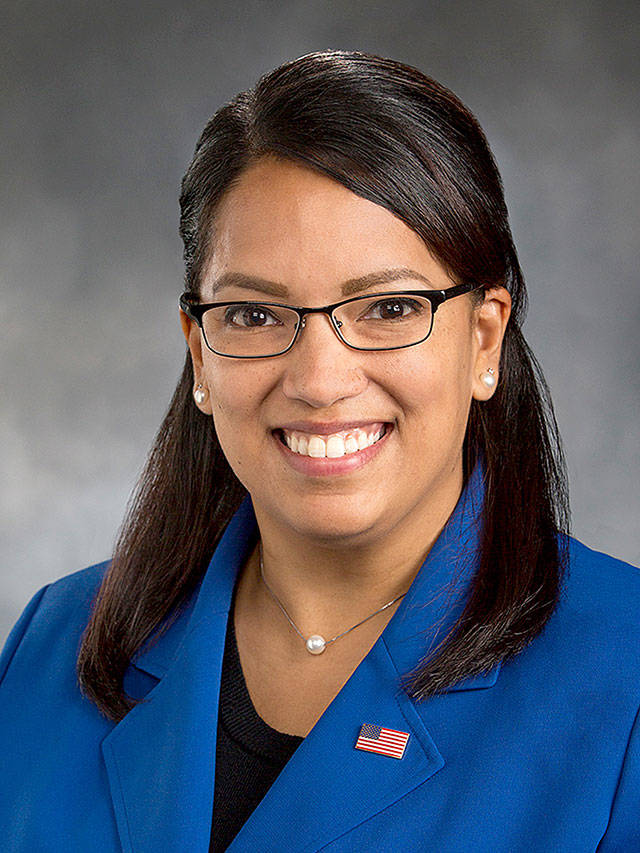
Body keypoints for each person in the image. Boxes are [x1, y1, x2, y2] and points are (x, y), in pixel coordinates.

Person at [0, 50, 638, 853]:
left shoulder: (625, 674)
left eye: (389, 308)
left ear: (484, 339)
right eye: (255, 315)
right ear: (199, 354)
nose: (319, 381)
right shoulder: (53, 643)